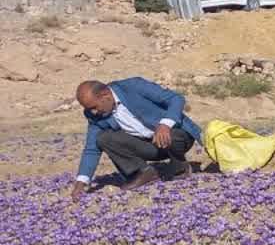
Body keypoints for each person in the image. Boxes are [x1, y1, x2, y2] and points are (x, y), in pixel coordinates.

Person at [70, 78, 202, 193]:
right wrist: (82, 180)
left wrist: (165, 124)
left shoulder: (133, 86)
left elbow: (176, 98)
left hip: (176, 137)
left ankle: (179, 165)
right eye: (89, 109)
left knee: (173, 135)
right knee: (103, 138)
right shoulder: (94, 114)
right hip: (150, 147)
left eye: (94, 107)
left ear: (105, 95)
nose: (93, 112)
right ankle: (144, 173)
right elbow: (92, 148)